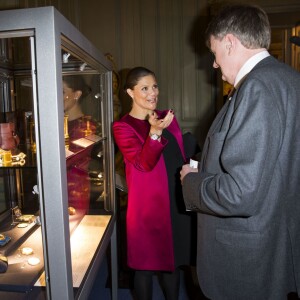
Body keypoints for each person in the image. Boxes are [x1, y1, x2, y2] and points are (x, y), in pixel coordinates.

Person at [180, 4, 300, 300]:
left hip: (249, 264)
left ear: (230, 43)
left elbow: (241, 193)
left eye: (215, 53)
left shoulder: (257, 87)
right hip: (275, 244)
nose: (215, 65)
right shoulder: (289, 79)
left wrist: (191, 181)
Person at [113, 67, 197, 300]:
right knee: (145, 267)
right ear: (130, 92)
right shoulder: (123, 127)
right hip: (148, 208)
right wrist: (154, 133)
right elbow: (143, 164)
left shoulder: (166, 117)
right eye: (145, 88)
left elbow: (179, 155)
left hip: (175, 200)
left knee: (173, 263)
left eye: (155, 86)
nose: (153, 93)